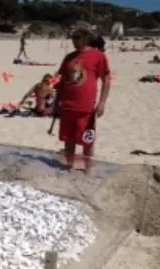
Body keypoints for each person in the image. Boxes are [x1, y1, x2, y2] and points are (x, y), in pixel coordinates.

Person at [56, 25, 111, 172]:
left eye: (77, 37)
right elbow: (62, 80)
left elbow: (106, 79)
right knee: (68, 139)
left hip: (86, 107)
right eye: (72, 37)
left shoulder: (98, 56)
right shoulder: (69, 57)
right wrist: (57, 101)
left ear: (86, 38)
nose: (73, 40)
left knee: (87, 140)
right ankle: (69, 166)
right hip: (67, 106)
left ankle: (87, 169)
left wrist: (102, 102)